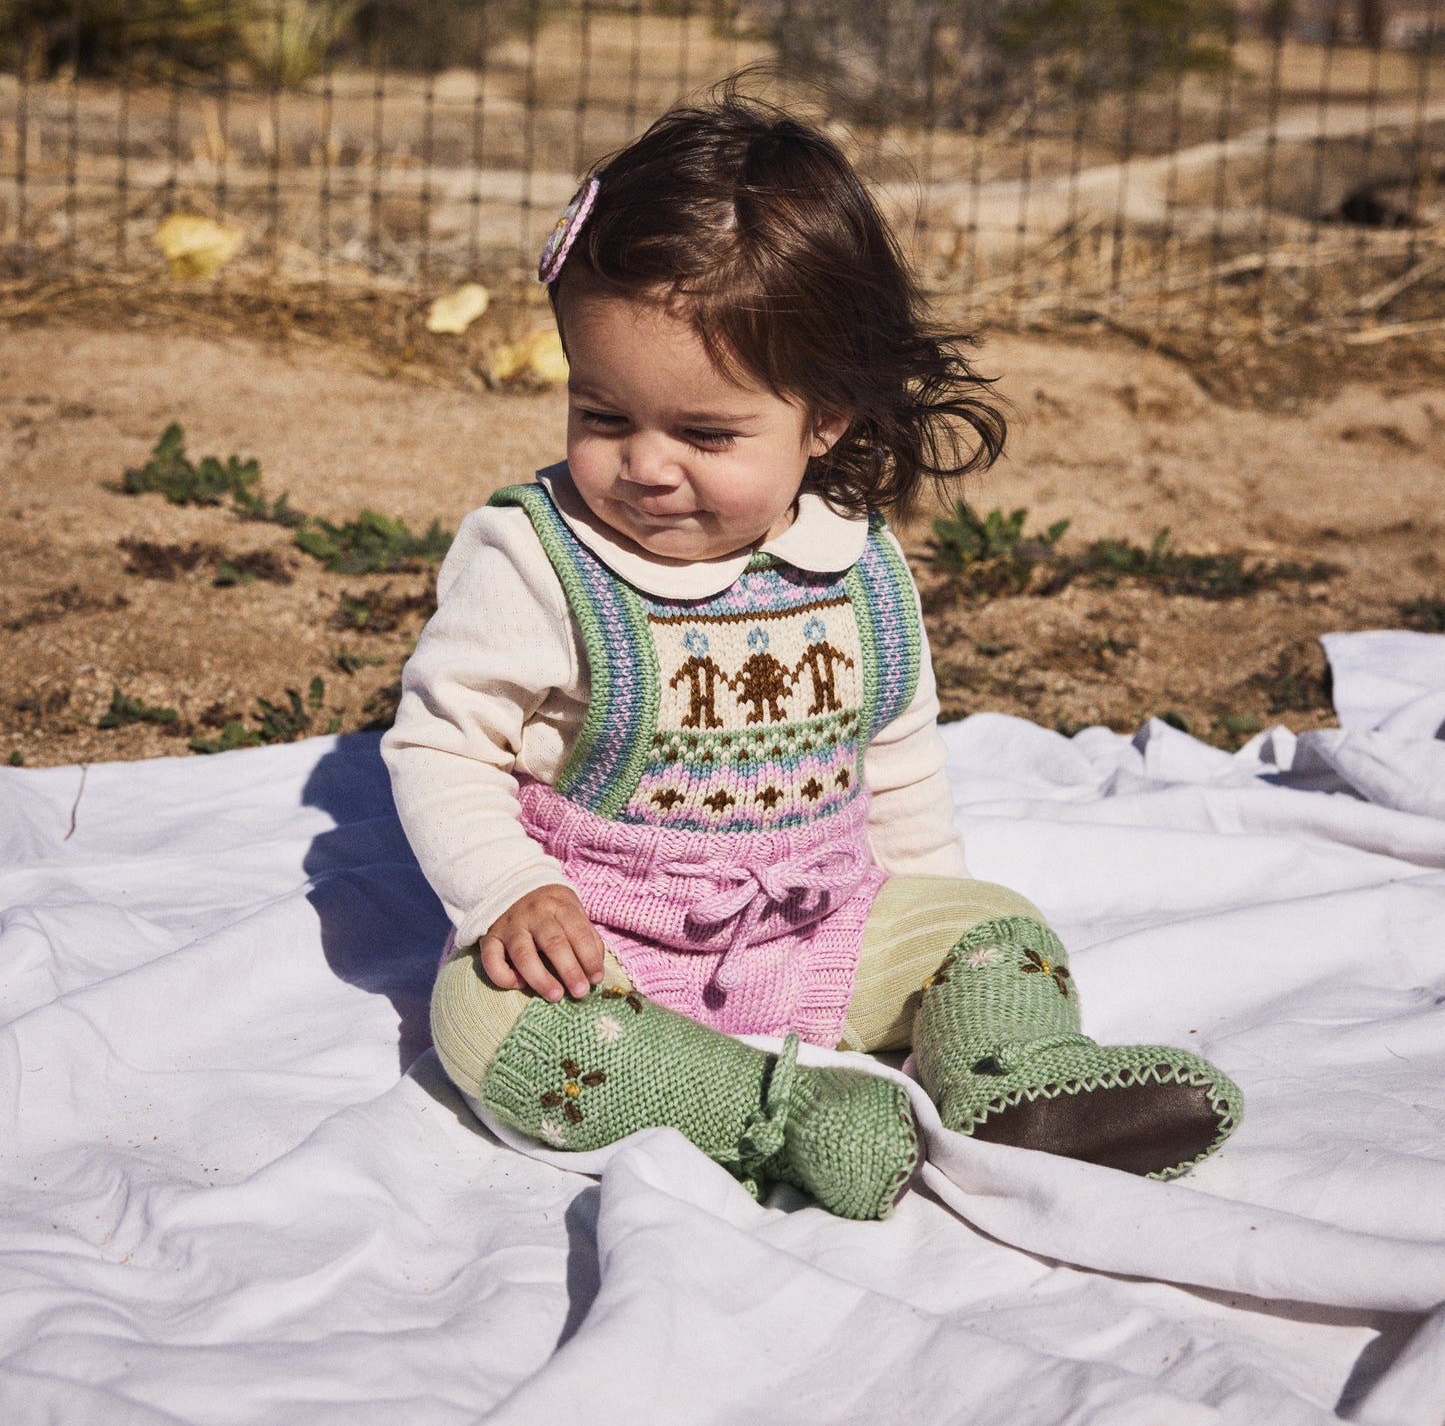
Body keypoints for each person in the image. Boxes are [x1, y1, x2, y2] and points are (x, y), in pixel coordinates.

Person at [384, 96, 1241, 1220]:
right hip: (604, 934)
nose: (643, 466)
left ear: (823, 419)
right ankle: (779, 1116)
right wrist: (512, 890)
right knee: (488, 1025)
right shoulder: (539, 557)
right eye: (600, 414)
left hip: (818, 916)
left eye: (704, 434)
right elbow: (441, 742)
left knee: (996, 928)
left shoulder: (857, 567)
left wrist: (926, 895)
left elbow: (894, 756)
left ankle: (1008, 1084)